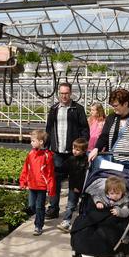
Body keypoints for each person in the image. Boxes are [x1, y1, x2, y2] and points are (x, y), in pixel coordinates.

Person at [44, 82, 90, 219]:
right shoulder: (54, 109)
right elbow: (49, 129)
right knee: (55, 180)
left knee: (74, 181)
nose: (64, 96)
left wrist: (81, 147)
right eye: (62, 93)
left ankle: (71, 207)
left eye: (66, 93)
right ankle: (54, 208)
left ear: (71, 93)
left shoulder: (77, 109)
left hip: (73, 153)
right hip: (57, 152)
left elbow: (85, 129)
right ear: (59, 94)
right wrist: (46, 148)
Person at [88, 88, 129, 170]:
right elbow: (104, 136)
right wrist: (96, 148)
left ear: (125, 104)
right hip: (113, 162)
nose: (114, 108)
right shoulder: (111, 118)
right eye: (112, 106)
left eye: (116, 106)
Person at [20, 129, 55, 236]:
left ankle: (38, 226)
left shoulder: (47, 156)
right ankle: (41, 214)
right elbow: (26, 168)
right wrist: (23, 181)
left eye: (33, 141)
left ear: (41, 142)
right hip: (32, 185)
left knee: (39, 206)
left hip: (42, 186)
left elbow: (50, 173)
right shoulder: (30, 154)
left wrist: (51, 187)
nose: (31, 143)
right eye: (31, 141)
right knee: (32, 206)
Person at [57, 138, 89, 232]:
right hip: (72, 186)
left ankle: (81, 223)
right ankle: (66, 221)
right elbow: (63, 168)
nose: (74, 151)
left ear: (84, 151)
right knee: (70, 205)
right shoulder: (71, 159)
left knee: (83, 206)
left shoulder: (86, 161)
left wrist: (78, 187)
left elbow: (83, 176)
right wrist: (53, 167)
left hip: (82, 187)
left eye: (77, 150)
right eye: (73, 148)